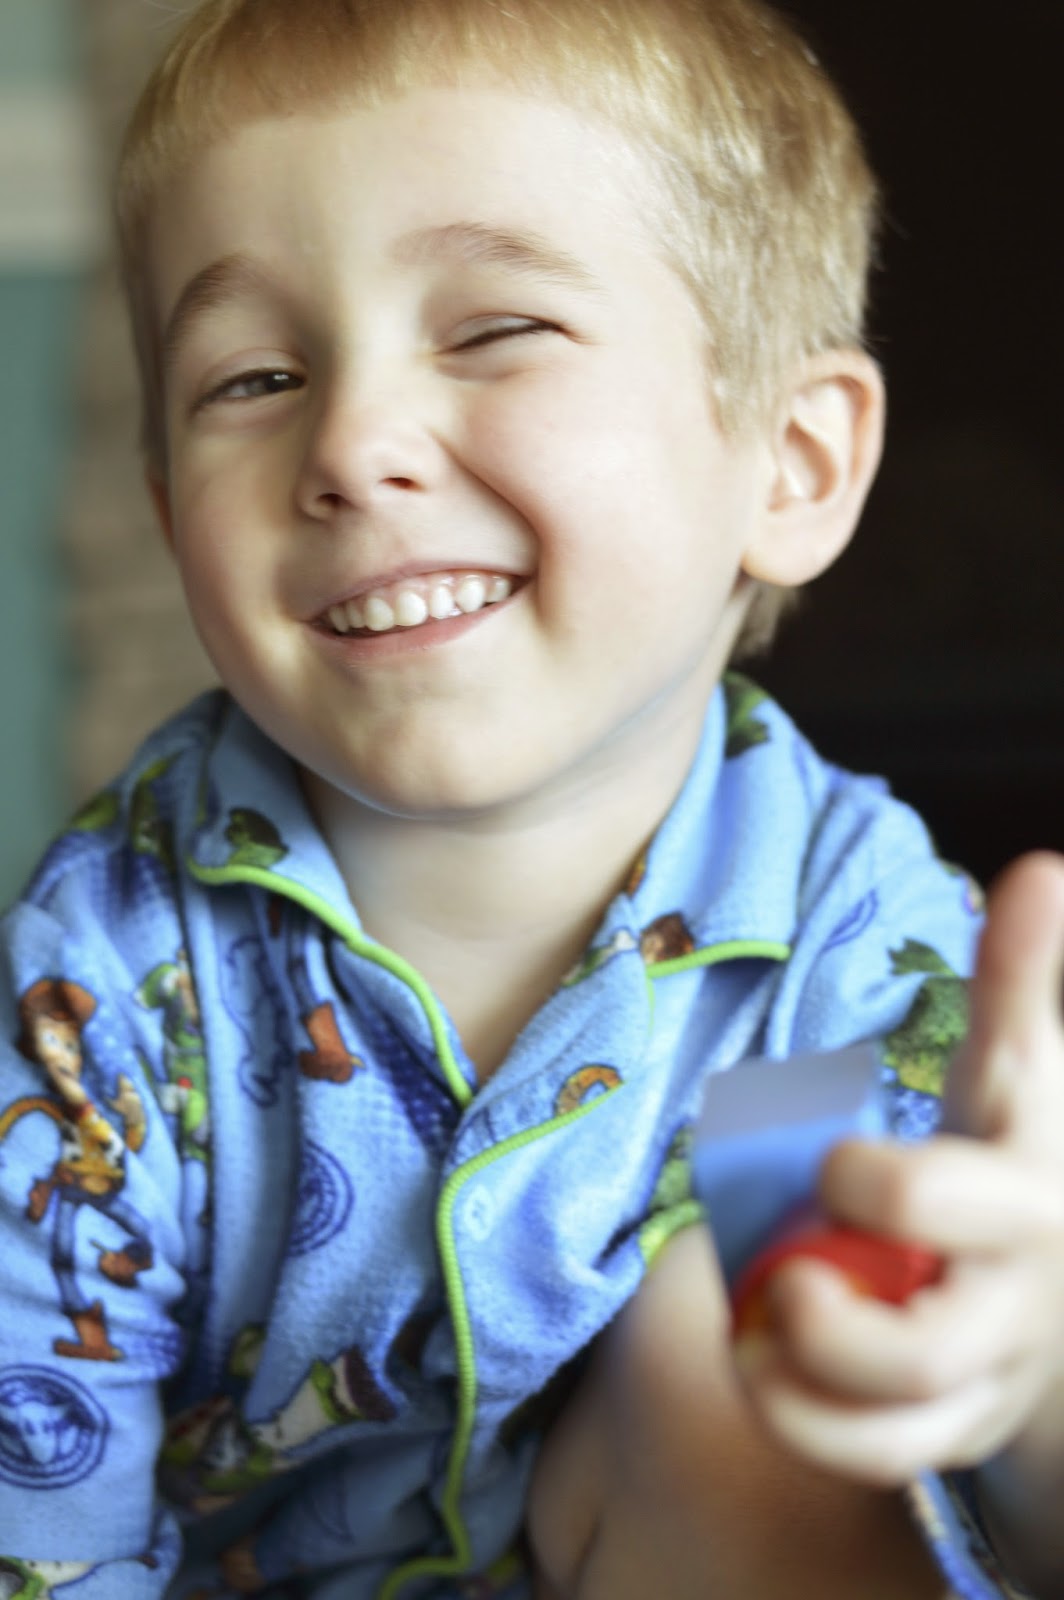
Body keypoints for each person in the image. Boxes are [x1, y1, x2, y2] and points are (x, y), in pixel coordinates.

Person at [1, 0, 1062, 1595]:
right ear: (169, 516)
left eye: (495, 330)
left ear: (790, 461)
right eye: (255, 376)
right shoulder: (103, 986)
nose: (351, 443)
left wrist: (1029, 1398)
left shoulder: (854, 959)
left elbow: (980, 1497)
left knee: (740, 1329)